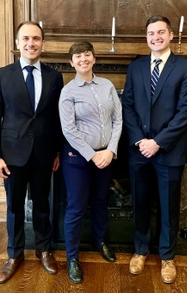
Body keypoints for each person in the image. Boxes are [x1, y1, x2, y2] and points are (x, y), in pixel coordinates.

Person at [121, 15, 187, 284]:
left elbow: (185, 111)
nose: (156, 37)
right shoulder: (136, 68)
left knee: (168, 206)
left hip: (169, 151)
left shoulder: (185, 68)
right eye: (151, 33)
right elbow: (127, 106)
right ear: (147, 37)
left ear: (170, 35)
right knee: (140, 203)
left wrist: (158, 142)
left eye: (161, 32)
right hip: (139, 150)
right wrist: (141, 141)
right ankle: (140, 251)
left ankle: (167, 257)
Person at [0, 21, 64, 284]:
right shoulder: (1, 75)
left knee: (43, 205)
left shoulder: (55, 76)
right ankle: (14, 254)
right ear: (17, 43)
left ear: (43, 43)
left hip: (43, 154)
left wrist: (56, 152)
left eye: (37, 39)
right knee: (14, 208)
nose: (31, 43)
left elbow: (55, 118)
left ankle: (44, 250)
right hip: (11, 155)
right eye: (26, 39)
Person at [59, 41, 123, 284]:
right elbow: (68, 129)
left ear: (94, 59)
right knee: (76, 207)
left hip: (105, 157)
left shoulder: (107, 86)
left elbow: (118, 120)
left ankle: (101, 241)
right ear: (72, 62)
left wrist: (110, 150)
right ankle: (72, 258)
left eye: (87, 55)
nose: (83, 59)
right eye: (78, 56)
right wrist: (92, 154)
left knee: (100, 201)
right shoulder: (68, 92)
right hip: (77, 159)